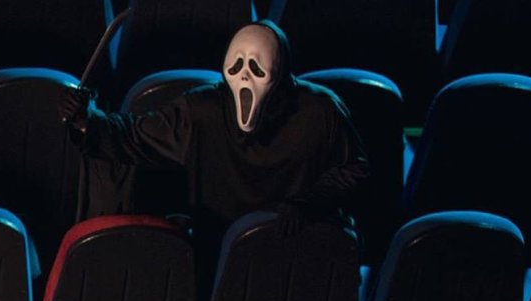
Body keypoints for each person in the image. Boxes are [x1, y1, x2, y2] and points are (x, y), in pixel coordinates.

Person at [58, 21, 370, 249]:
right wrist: (87, 120)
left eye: (256, 68)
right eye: (236, 66)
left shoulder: (319, 111)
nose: (244, 76)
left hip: (295, 246)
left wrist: (309, 203)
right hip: (217, 250)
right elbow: (134, 136)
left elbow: (354, 168)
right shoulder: (202, 111)